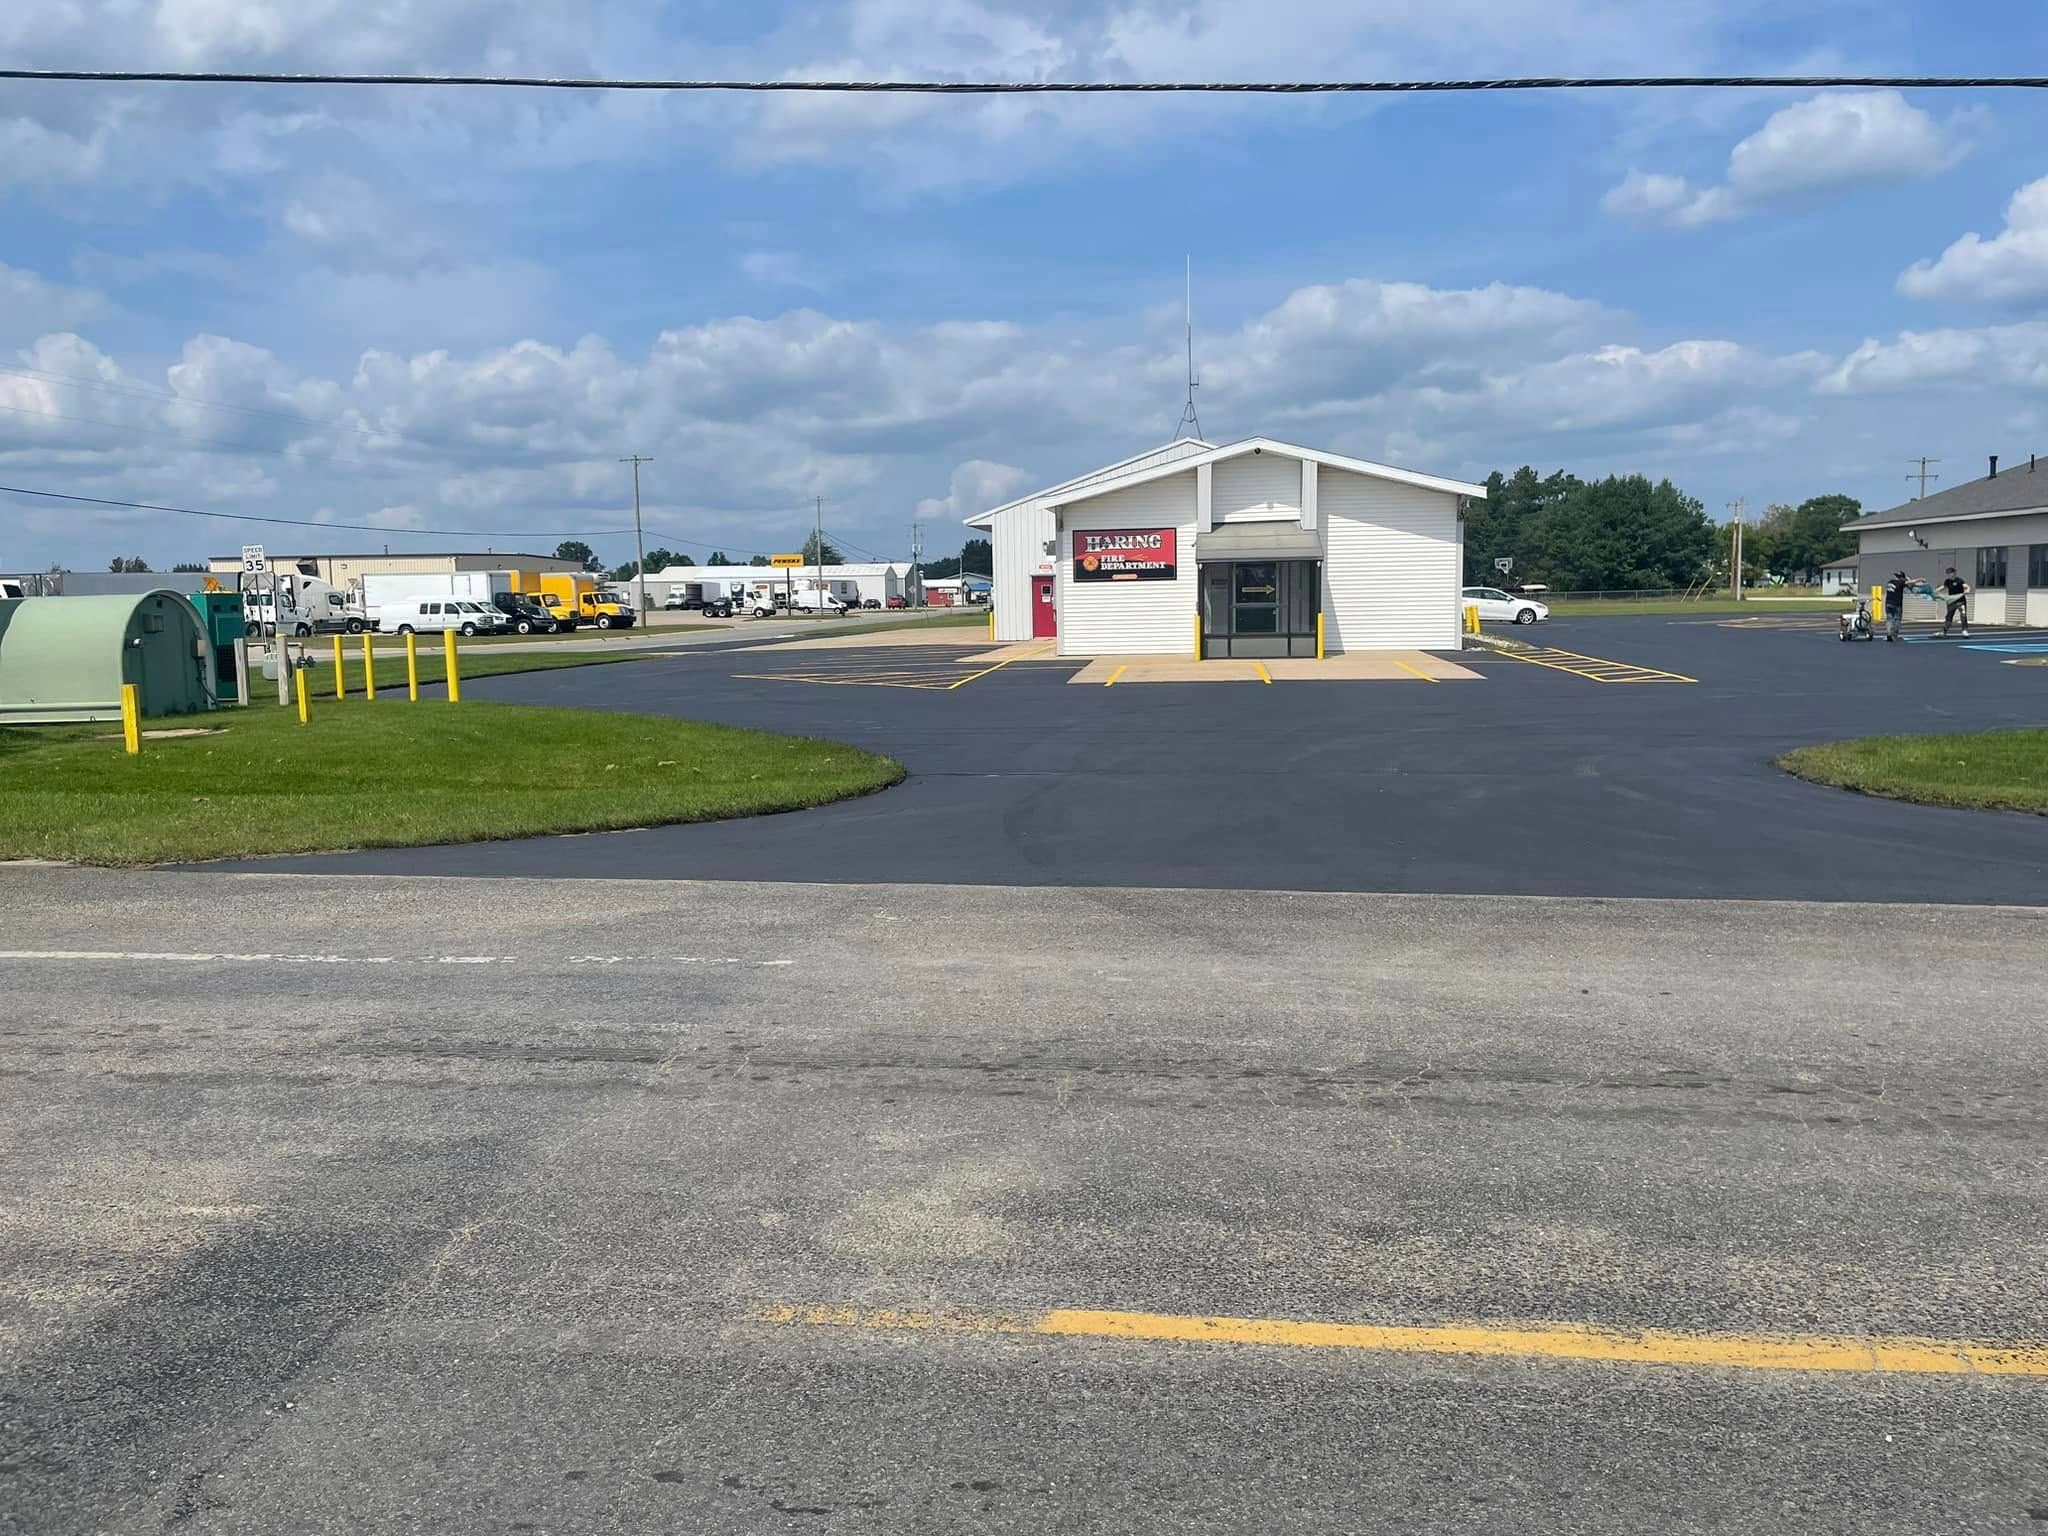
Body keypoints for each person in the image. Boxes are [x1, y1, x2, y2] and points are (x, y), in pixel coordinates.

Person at [1882, 570, 1917, 641]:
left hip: (1888, 603)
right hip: (1897, 604)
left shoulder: (1890, 582)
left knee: (1889, 619)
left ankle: (1889, 634)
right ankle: (1894, 634)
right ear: (1901, 577)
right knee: (1897, 619)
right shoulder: (1900, 583)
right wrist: (1921, 579)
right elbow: (1911, 582)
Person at [1939, 566, 1971, 637]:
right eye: (1947, 573)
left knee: (1963, 615)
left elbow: (1966, 586)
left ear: (1954, 573)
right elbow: (1943, 587)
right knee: (1949, 616)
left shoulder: (1959, 580)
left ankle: (1964, 630)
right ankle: (1944, 631)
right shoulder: (1947, 581)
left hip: (1961, 601)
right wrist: (1936, 591)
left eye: (1950, 573)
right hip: (1952, 601)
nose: (1949, 575)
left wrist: (1968, 589)